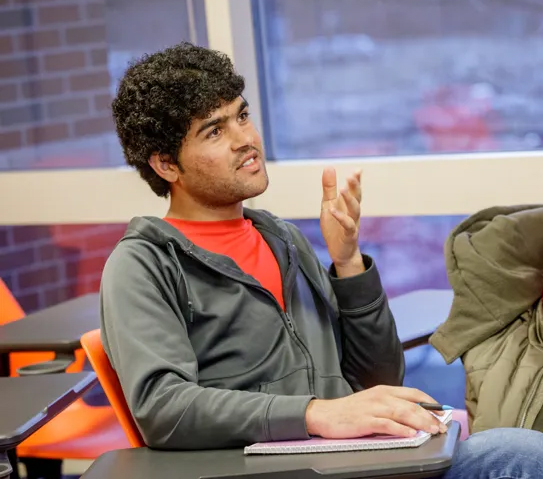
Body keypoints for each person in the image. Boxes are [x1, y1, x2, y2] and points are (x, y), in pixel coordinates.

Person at [101, 43, 543, 477]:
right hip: (278, 468)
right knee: (520, 455)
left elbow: (379, 378)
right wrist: (317, 414)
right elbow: (165, 409)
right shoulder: (143, 265)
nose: (245, 140)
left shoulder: (282, 239)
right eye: (214, 131)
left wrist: (348, 262)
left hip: (358, 460)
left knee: (518, 448)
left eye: (242, 115)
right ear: (165, 165)